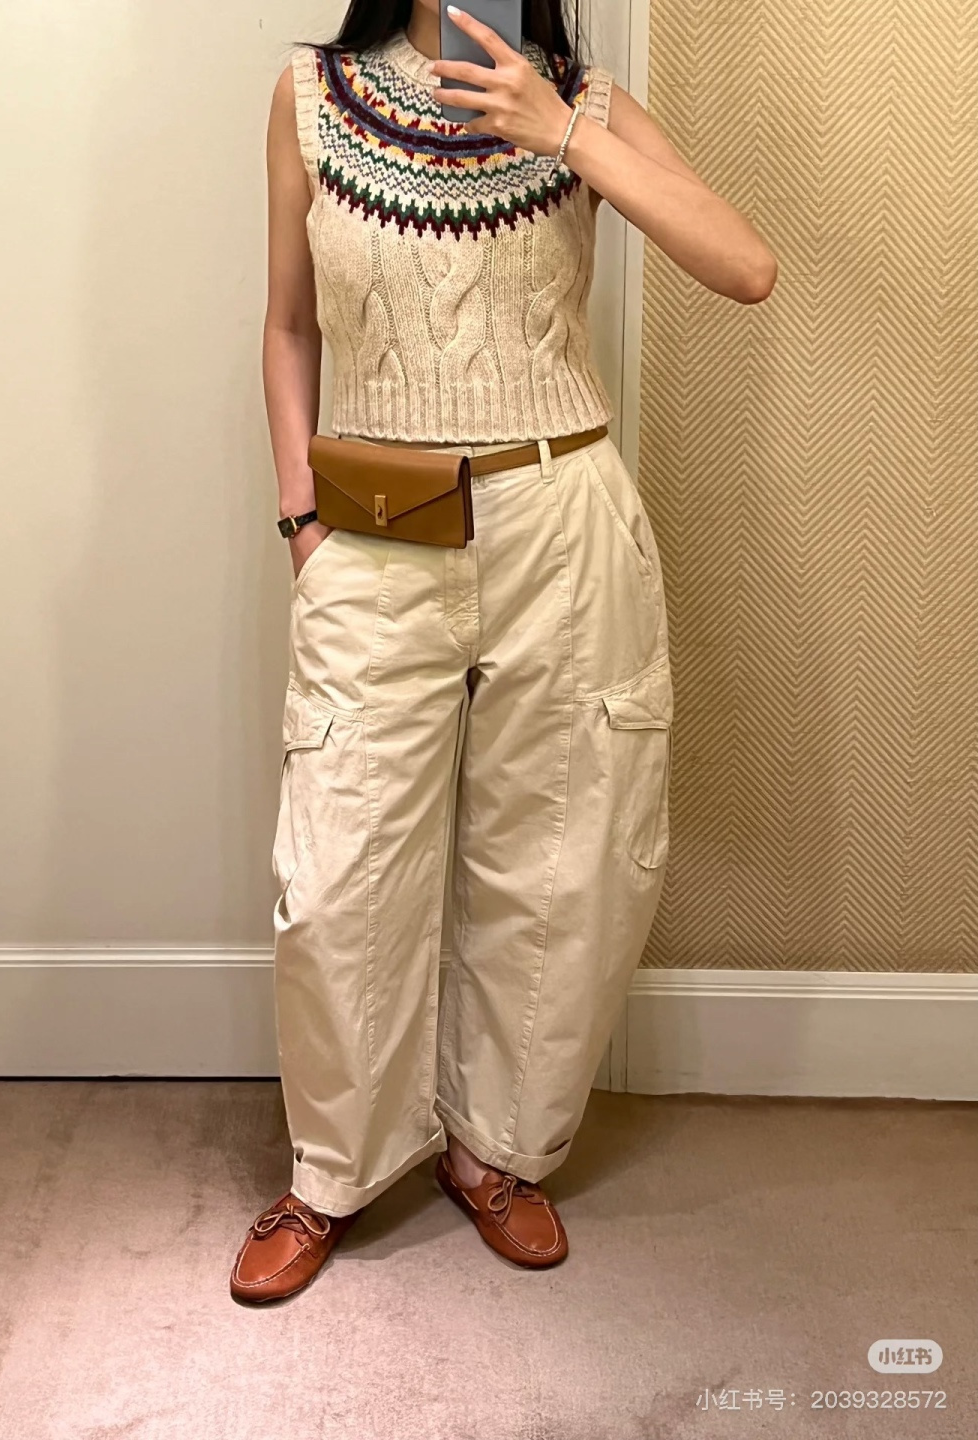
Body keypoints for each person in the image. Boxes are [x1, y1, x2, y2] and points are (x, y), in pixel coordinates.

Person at [231, 0, 776, 1303]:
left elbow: (745, 266)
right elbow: (290, 325)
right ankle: (335, 1170)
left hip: (560, 515)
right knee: (341, 863)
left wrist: (566, 131)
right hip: (376, 518)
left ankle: (499, 1152)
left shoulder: (582, 98)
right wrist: (302, 518)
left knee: (562, 858)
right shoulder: (310, 96)